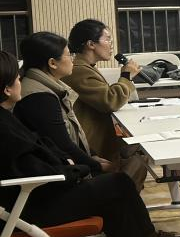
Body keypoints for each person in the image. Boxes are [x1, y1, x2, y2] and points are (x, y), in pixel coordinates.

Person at [0, 51, 180, 237]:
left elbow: (42, 148)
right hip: (29, 207)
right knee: (117, 185)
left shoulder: (7, 116)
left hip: (36, 195)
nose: (21, 82)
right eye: (17, 79)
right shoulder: (7, 126)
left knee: (115, 195)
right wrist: (79, 169)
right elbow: (35, 169)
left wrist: (71, 164)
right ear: (7, 89)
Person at [62, 19, 147, 187]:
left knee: (139, 147)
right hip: (91, 144)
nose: (111, 45)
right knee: (140, 151)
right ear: (91, 44)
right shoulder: (78, 70)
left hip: (98, 138)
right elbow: (110, 101)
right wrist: (126, 76)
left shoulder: (86, 67)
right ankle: (122, 194)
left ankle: (122, 192)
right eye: (107, 39)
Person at [15, 32, 112, 174]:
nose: (73, 59)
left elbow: (69, 137)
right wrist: (98, 166)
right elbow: (62, 145)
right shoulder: (40, 97)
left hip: (67, 167)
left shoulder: (46, 87)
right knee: (126, 175)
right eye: (68, 55)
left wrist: (92, 155)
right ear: (52, 63)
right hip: (58, 175)